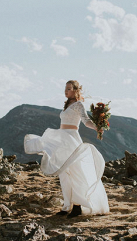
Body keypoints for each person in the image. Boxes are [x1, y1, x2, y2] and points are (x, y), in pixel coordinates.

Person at [24, 80, 110, 217]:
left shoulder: (78, 104)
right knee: (64, 173)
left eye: (69, 89)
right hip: (62, 139)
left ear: (76, 90)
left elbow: (85, 120)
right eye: (65, 89)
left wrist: (96, 126)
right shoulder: (67, 105)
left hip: (71, 139)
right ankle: (66, 205)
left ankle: (77, 206)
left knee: (75, 172)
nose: (66, 91)